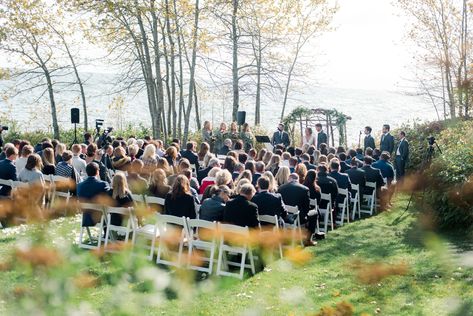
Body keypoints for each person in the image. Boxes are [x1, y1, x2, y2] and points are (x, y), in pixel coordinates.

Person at [278, 173, 315, 246]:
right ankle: (308, 240)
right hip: (298, 217)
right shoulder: (304, 189)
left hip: (284, 217)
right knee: (314, 213)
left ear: (289, 179)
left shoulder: (281, 188)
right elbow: (306, 207)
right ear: (297, 180)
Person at [77, 163, 111, 227]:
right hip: (100, 217)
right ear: (97, 171)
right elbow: (109, 199)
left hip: (86, 217)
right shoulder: (103, 184)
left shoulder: (79, 185)